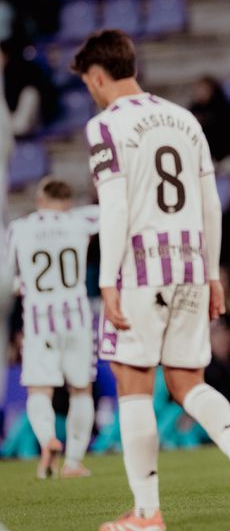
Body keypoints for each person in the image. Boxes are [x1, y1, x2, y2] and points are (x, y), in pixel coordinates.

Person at [71, 30, 230, 530]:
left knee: (133, 382)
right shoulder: (185, 119)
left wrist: (108, 279)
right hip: (191, 266)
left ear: (97, 76)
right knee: (186, 382)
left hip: (141, 268)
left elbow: (115, 206)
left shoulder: (105, 125)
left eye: (88, 82)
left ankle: (146, 513)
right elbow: (211, 204)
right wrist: (213, 274)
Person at [6, 178, 98, 479]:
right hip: (77, 318)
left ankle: (48, 439)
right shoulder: (81, 220)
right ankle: (74, 461)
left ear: (40, 200)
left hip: (39, 321)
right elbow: (115, 212)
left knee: (40, 389)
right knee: (81, 389)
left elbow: (8, 279)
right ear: (68, 201)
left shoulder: (20, 228)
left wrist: (22, 285)